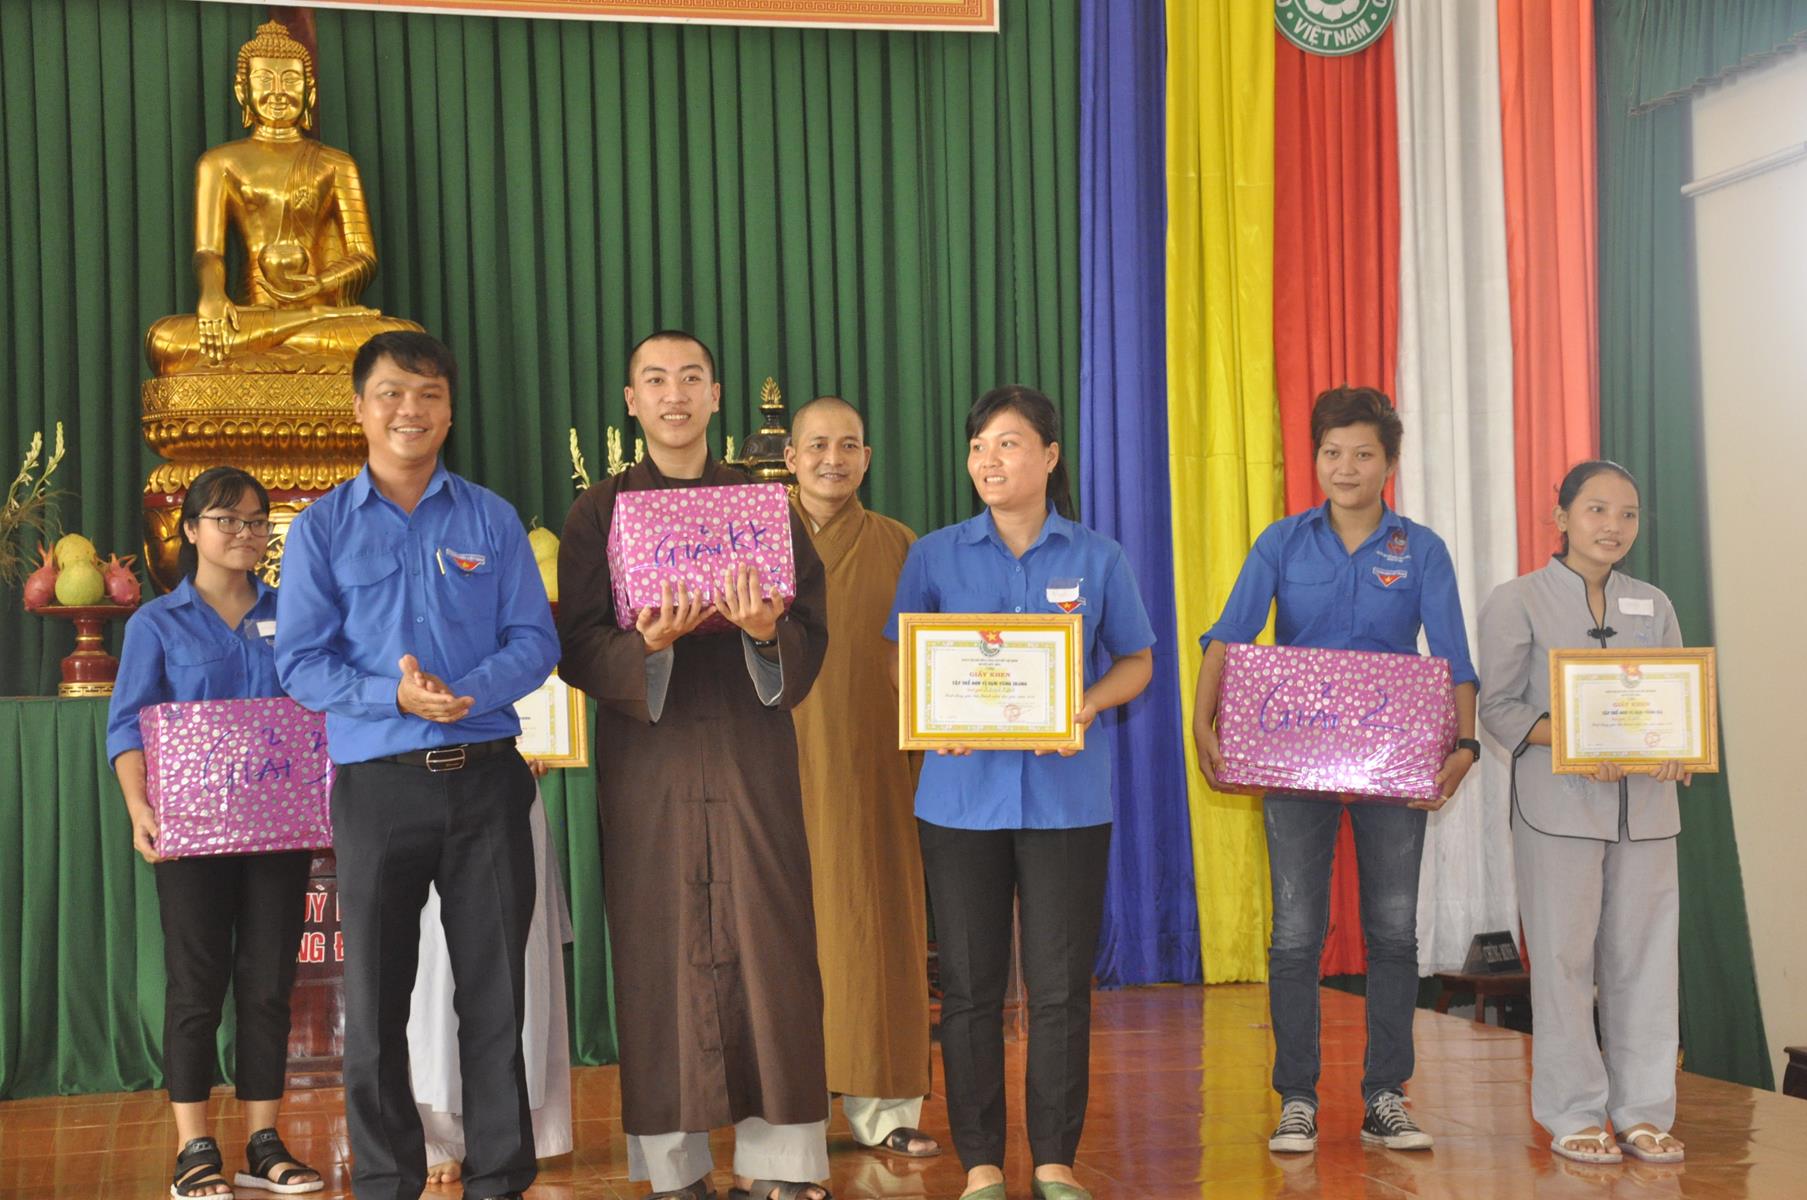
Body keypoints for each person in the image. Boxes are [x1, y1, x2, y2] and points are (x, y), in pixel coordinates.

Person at [275, 331, 559, 1200]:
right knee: (375, 1002)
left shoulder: (490, 518)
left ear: (449, 410)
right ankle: (386, 1180)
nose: (412, 409)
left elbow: (534, 641)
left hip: (486, 779)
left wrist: (465, 693)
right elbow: (300, 663)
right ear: (360, 408)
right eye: (393, 393)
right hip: (379, 788)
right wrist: (393, 697)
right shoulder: (322, 527)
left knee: (494, 999)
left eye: (430, 394)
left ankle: (499, 1177)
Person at [556, 330, 833, 1200]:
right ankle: (672, 1167)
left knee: (771, 938)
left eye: (689, 378)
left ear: (716, 395)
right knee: (657, 942)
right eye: (654, 380)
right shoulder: (597, 513)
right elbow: (577, 643)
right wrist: (645, 647)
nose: (673, 395)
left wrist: (765, 633)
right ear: (631, 401)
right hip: (651, 756)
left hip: (751, 748)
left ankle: (783, 1162)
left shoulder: (764, 505)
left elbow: (810, 625)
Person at [1191, 386, 1480, 1155]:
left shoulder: (1420, 550)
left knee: (1391, 931)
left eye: (1362, 453)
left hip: (1395, 763)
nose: (1344, 467)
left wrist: (1465, 746)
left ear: (1389, 462)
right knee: (1295, 933)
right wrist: (1201, 723)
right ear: (1314, 458)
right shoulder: (1281, 542)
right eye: (1330, 452)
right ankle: (1296, 1099)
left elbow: (1453, 657)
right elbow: (1227, 636)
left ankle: (1385, 1096)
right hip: (1294, 760)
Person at [884, 385, 1155, 1200]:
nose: (988, 460)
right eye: (978, 447)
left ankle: (1053, 1160)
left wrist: (1085, 704)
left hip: (1068, 802)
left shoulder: (1098, 557)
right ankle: (980, 1163)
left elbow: (1136, 661)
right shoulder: (934, 555)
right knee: (969, 989)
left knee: (1060, 987)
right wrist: (928, 711)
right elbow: (902, 655)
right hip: (959, 800)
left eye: (1006, 443)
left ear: (1049, 455)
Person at [105, 465, 323, 1198]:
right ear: (191, 530)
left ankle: (263, 1142)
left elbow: (318, 706)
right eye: (227, 520)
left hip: (278, 832)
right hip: (190, 835)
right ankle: (193, 1147)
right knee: (196, 985)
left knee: (268, 985)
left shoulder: (295, 614)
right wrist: (139, 808)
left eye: (257, 521)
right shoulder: (156, 623)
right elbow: (127, 726)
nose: (244, 534)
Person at [1478, 460, 1689, 1166]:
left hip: (1647, 813)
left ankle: (1642, 1111)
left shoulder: (1653, 604)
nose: (1613, 526)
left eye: (1627, 514)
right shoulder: (1517, 601)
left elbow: (1674, 702)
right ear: (1562, 516)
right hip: (1558, 812)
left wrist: (1678, 749)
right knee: (1564, 964)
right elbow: (1497, 707)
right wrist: (1571, 737)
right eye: (1596, 510)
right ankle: (1572, 1113)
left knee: (1646, 963)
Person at [781, 396, 939, 1163]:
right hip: (772, 770)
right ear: (790, 459)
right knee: (779, 938)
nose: (832, 459)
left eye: (848, 445)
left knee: (876, 932)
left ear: (867, 459)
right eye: (817, 445)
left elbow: (931, 663)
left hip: (874, 770)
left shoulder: (902, 547)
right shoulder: (755, 540)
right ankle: (788, 1112)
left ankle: (886, 1109)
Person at [409, 765, 574, 1182]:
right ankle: (438, 1139)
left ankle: (522, 1133)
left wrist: (543, 740)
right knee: (432, 965)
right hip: (417, 777)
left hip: (504, 776)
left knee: (517, 959)